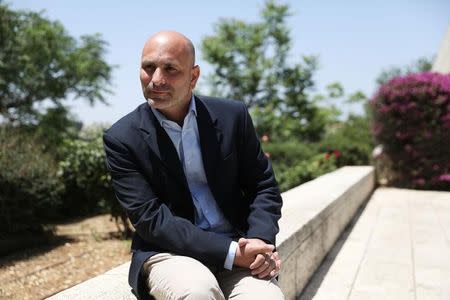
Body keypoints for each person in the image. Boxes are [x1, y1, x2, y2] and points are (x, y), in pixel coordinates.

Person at [103, 31, 284, 300]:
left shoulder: (233, 117)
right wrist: (232, 252)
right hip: (170, 253)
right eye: (148, 67)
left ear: (194, 76)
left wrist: (260, 241)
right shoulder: (122, 138)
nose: (156, 80)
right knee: (198, 292)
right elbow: (152, 220)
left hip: (239, 244)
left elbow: (263, 185)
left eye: (170, 69)